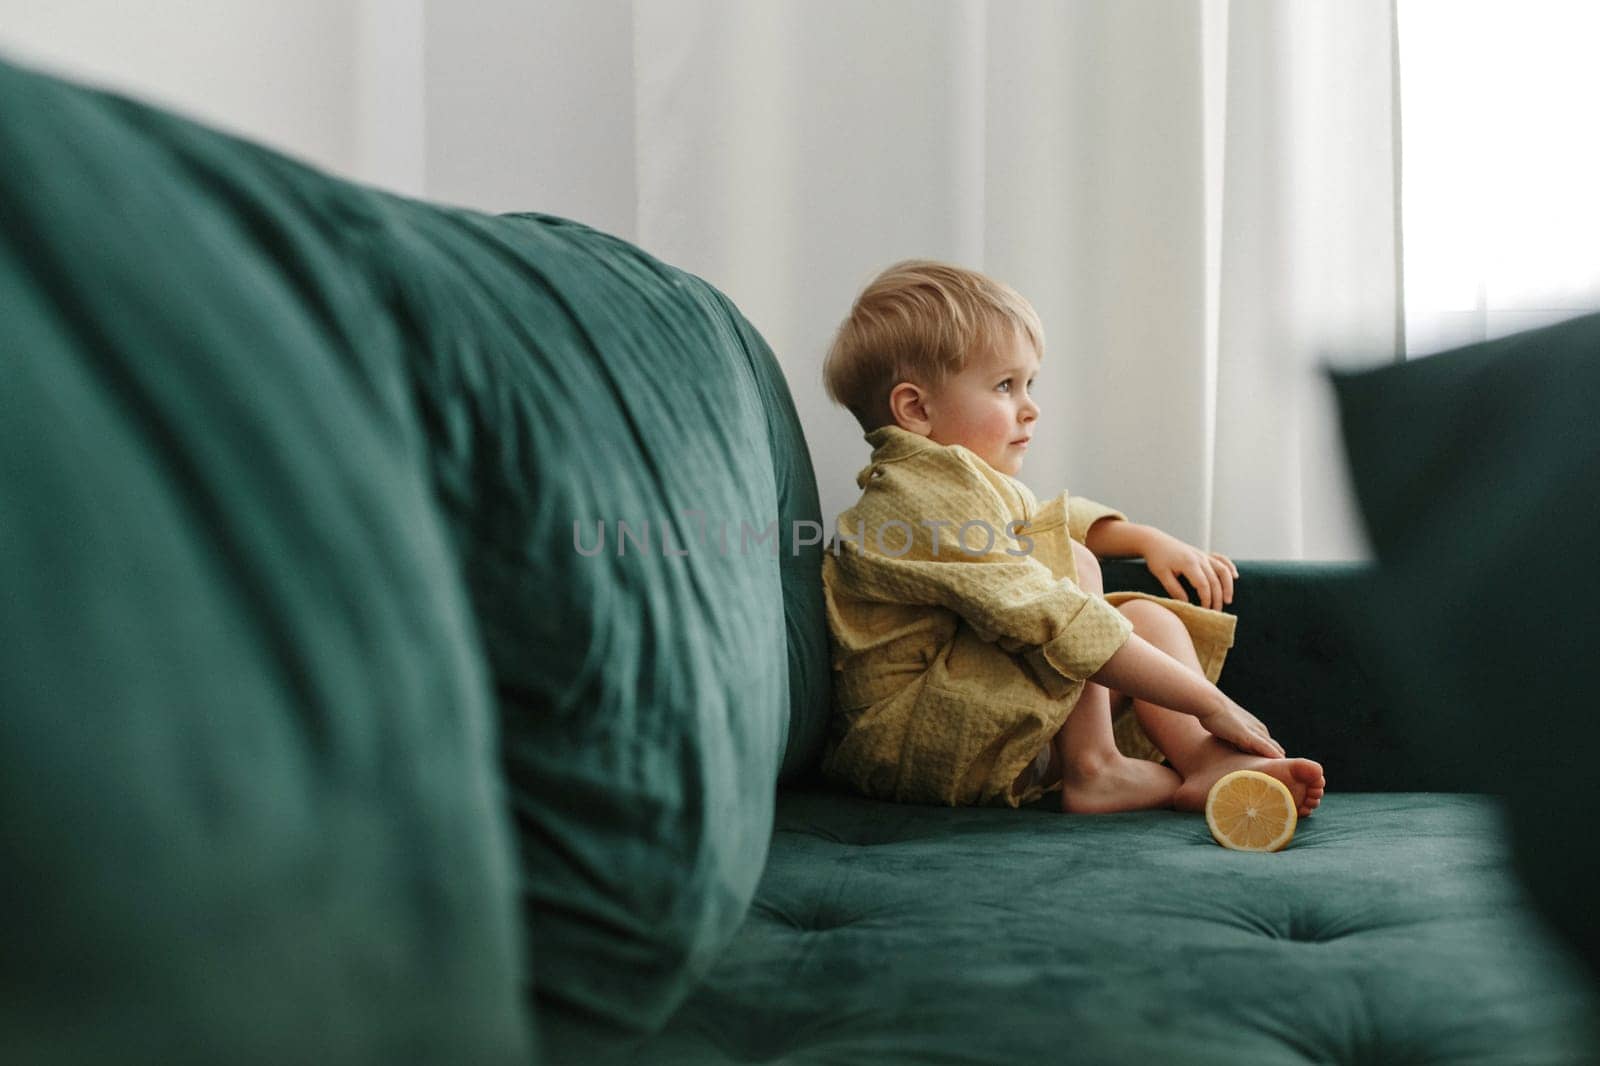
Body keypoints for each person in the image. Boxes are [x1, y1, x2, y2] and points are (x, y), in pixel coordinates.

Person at [818, 259, 1326, 817]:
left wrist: (1144, 537)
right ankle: (1095, 766)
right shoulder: (919, 499)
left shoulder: (950, 482)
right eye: (1005, 386)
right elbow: (1050, 606)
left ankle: (1204, 762)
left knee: (1149, 621)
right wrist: (1210, 701)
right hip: (911, 744)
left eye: (1029, 383)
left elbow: (1040, 518)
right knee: (1069, 575)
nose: (1030, 407)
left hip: (964, 724)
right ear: (916, 408)